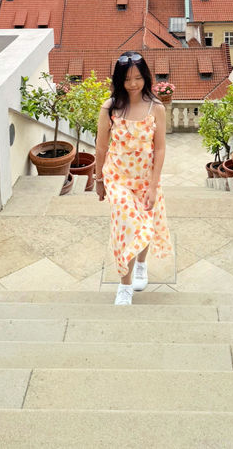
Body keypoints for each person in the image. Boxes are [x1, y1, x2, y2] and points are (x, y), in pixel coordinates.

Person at [94, 51, 172, 305]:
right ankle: (124, 285)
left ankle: (141, 264)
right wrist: (98, 180)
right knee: (127, 225)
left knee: (144, 225)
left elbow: (159, 148)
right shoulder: (110, 108)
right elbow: (101, 147)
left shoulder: (156, 108)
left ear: (146, 77)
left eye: (138, 78)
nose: (133, 84)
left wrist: (153, 185)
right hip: (117, 176)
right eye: (127, 79)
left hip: (145, 178)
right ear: (119, 80)